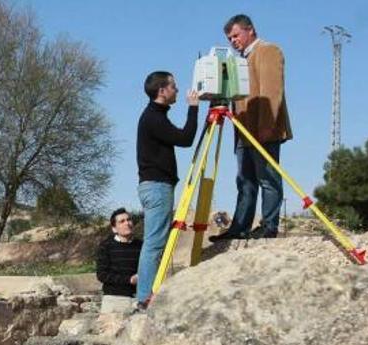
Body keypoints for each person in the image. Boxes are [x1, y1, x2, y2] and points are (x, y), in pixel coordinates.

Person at [210, 14, 292, 242]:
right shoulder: (239, 60)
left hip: (263, 130)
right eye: (229, 38)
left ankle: (269, 226)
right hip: (243, 132)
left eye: (236, 35)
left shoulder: (268, 51)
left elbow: (271, 92)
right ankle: (240, 227)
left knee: (268, 178)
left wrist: (267, 126)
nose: (233, 41)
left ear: (250, 30)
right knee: (245, 180)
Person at [135, 71, 200, 307]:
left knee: (154, 243)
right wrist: (194, 108)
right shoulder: (153, 117)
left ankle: (146, 295)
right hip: (157, 186)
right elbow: (185, 139)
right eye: (173, 86)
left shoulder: (156, 115)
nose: (177, 90)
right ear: (162, 91)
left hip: (156, 186)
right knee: (154, 243)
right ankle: (145, 298)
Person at [96, 208, 142, 314]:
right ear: (114, 229)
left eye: (129, 220)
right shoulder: (106, 246)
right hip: (114, 300)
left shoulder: (141, 245)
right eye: (122, 221)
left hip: (138, 298)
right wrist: (129, 280)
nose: (127, 223)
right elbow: (102, 275)